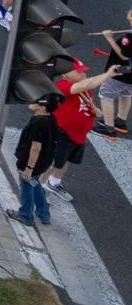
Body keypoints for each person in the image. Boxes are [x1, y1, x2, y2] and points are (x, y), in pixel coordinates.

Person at [43, 58, 117, 201]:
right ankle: (38, 189)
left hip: (77, 135)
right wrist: (108, 74)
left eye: (84, 72)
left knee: (64, 161)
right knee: (53, 163)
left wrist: (95, 111)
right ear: (66, 73)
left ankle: (54, 183)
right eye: (79, 72)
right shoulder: (63, 86)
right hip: (62, 133)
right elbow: (87, 84)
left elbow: (85, 99)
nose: (83, 75)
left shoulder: (84, 88)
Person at [7, 93, 60, 229]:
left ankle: (25, 215)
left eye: (37, 102)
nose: (32, 102)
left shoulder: (38, 123)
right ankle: (44, 214)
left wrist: (29, 169)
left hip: (32, 163)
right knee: (35, 184)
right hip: (44, 162)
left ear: (42, 108)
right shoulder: (51, 118)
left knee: (26, 187)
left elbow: (36, 147)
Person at [96, 8, 132, 136]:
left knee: (106, 94)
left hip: (121, 70)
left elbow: (124, 56)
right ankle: (120, 121)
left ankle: (108, 128)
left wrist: (109, 38)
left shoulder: (129, 37)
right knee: (126, 93)